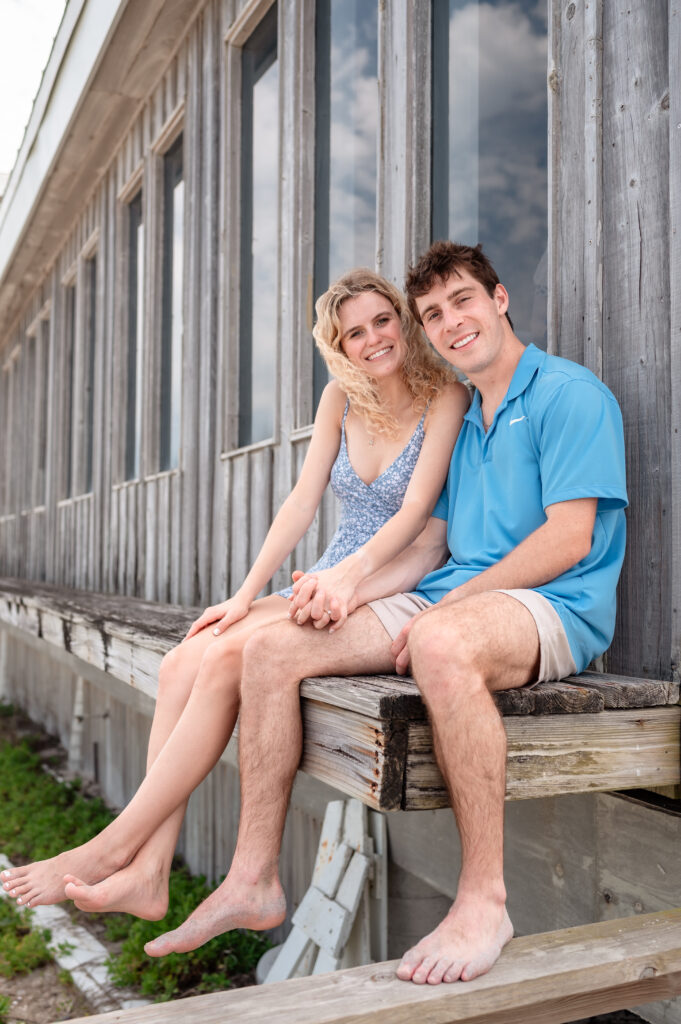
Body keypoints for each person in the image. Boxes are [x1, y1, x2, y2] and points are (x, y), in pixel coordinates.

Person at [141, 241, 627, 984]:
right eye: (432, 313)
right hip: (450, 596)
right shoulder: (464, 419)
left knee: (437, 644)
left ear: (498, 299)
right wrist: (347, 588)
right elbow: (431, 538)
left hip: (552, 606)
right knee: (270, 651)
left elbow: (570, 538)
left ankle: (483, 900)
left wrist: (451, 607)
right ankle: (253, 878)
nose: (449, 320)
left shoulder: (568, 393)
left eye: (462, 300)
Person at [1, 269, 468, 917]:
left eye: (381, 321)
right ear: (338, 344)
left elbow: (417, 514)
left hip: (381, 580)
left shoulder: (444, 396)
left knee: (220, 661)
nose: (372, 340)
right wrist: (246, 594)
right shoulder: (340, 397)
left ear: (402, 318)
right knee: (182, 659)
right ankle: (151, 871)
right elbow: (302, 502)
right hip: (324, 573)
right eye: (353, 332)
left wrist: (348, 584)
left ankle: (111, 850)